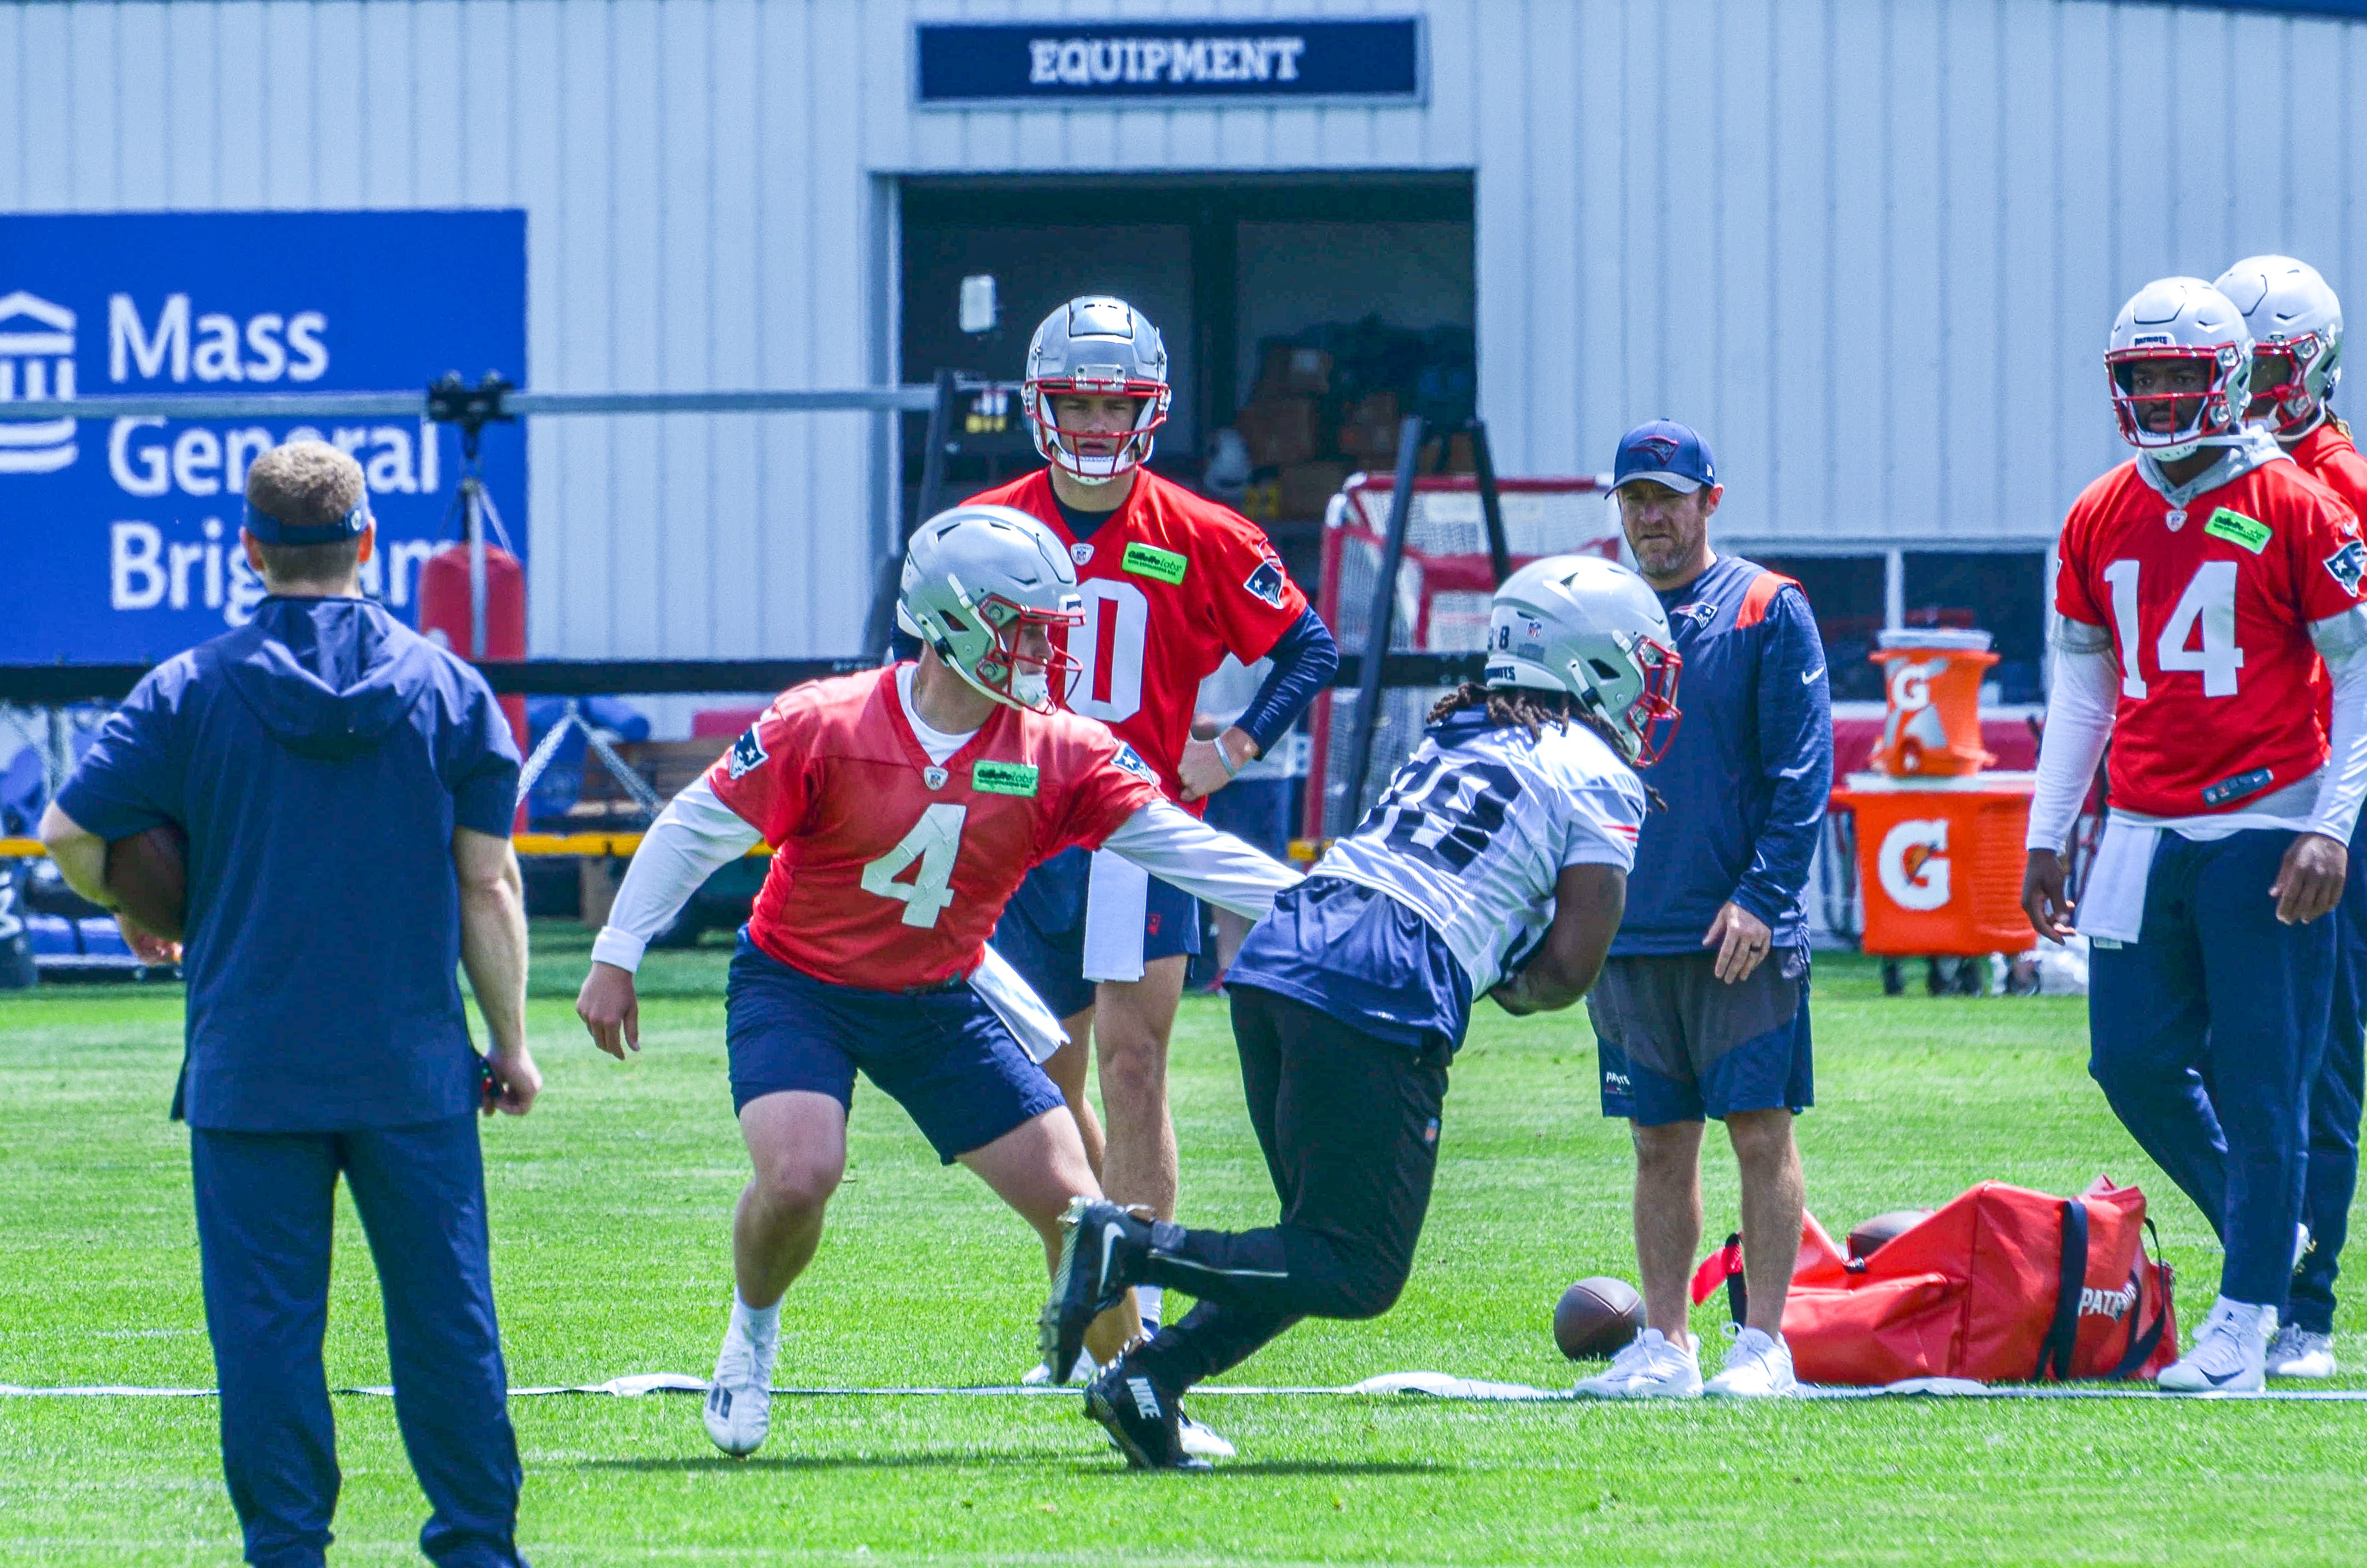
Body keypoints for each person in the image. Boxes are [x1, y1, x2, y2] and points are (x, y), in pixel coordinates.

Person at [572, 504, 1300, 1460]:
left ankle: (1139, 1394)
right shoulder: (824, 722)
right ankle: (751, 1336)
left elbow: (1186, 848)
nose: (1048, 650)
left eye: (1052, 628)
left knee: (1085, 1215)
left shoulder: (1059, 748)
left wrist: (1329, 899)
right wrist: (617, 951)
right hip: (803, 984)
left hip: (939, 998)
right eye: (1027, 627)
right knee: (799, 1174)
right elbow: (694, 827)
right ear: (953, 622)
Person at [1042, 555, 1678, 1469]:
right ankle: (1126, 1243)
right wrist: (1497, 972)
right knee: (1356, 1265)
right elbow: (1569, 968)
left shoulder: (1457, 732)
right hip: (1383, 974)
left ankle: (1150, 1380)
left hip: (1289, 940)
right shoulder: (1596, 772)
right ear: (1592, 662)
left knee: (1313, 1237)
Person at [38, 440, 539, 1567]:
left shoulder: (186, 687)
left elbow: (69, 834)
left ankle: (287, 1548)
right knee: (447, 1322)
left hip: (250, 1065)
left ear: (250, 551)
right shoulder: (450, 688)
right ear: (368, 544)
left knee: (267, 1333)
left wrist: (131, 894)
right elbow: (489, 881)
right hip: (410, 1069)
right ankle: (475, 1546)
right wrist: (510, 1043)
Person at [970, 295, 1337, 1354]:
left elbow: (1305, 648)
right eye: (1075, 401)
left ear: (1150, 408)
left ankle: (1150, 1315)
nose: (1091, 423)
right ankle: (1090, 1305)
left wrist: (1235, 749)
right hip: (1021, 830)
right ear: (1042, 406)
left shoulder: (1200, 531)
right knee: (1047, 1082)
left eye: (1113, 401)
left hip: (1137, 832)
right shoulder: (994, 526)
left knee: (1135, 1070)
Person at [2022, 276, 2367, 1392]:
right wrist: (2046, 828)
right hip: (2141, 822)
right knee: (2126, 1056)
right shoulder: (2097, 511)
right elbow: (2081, 689)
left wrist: (2332, 823)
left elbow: (2361, 669)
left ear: (2228, 380)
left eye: (2181, 375)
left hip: (2266, 818)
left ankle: (2251, 1313)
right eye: (2143, 378)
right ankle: (2268, 1234)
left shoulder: (2299, 502)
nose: (2163, 397)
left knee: (2269, 1077)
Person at [1568, 421, 1832, 1400]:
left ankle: (1765, 1344)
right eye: (1634, 499)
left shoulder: (1768, 606)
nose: (1651, 517)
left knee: (1761, 1131)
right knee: (1656, 1139)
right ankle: (1666, 1344)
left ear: (1709, 501)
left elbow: (1803, 769)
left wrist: (1764, 897)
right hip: (1630, 925)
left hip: (1735, 928)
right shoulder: (1598, 609)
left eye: (1667, 498)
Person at [2212, 255, 2363, 1380]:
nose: (2254, 387)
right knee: (2253, 1053)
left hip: (2330, 801)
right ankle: (2263, 1279)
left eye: (2269, 366)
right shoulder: (2218, 475)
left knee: (2317, 1057)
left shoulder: (2332, 482)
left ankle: (2302, 1304)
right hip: (2253, 800)